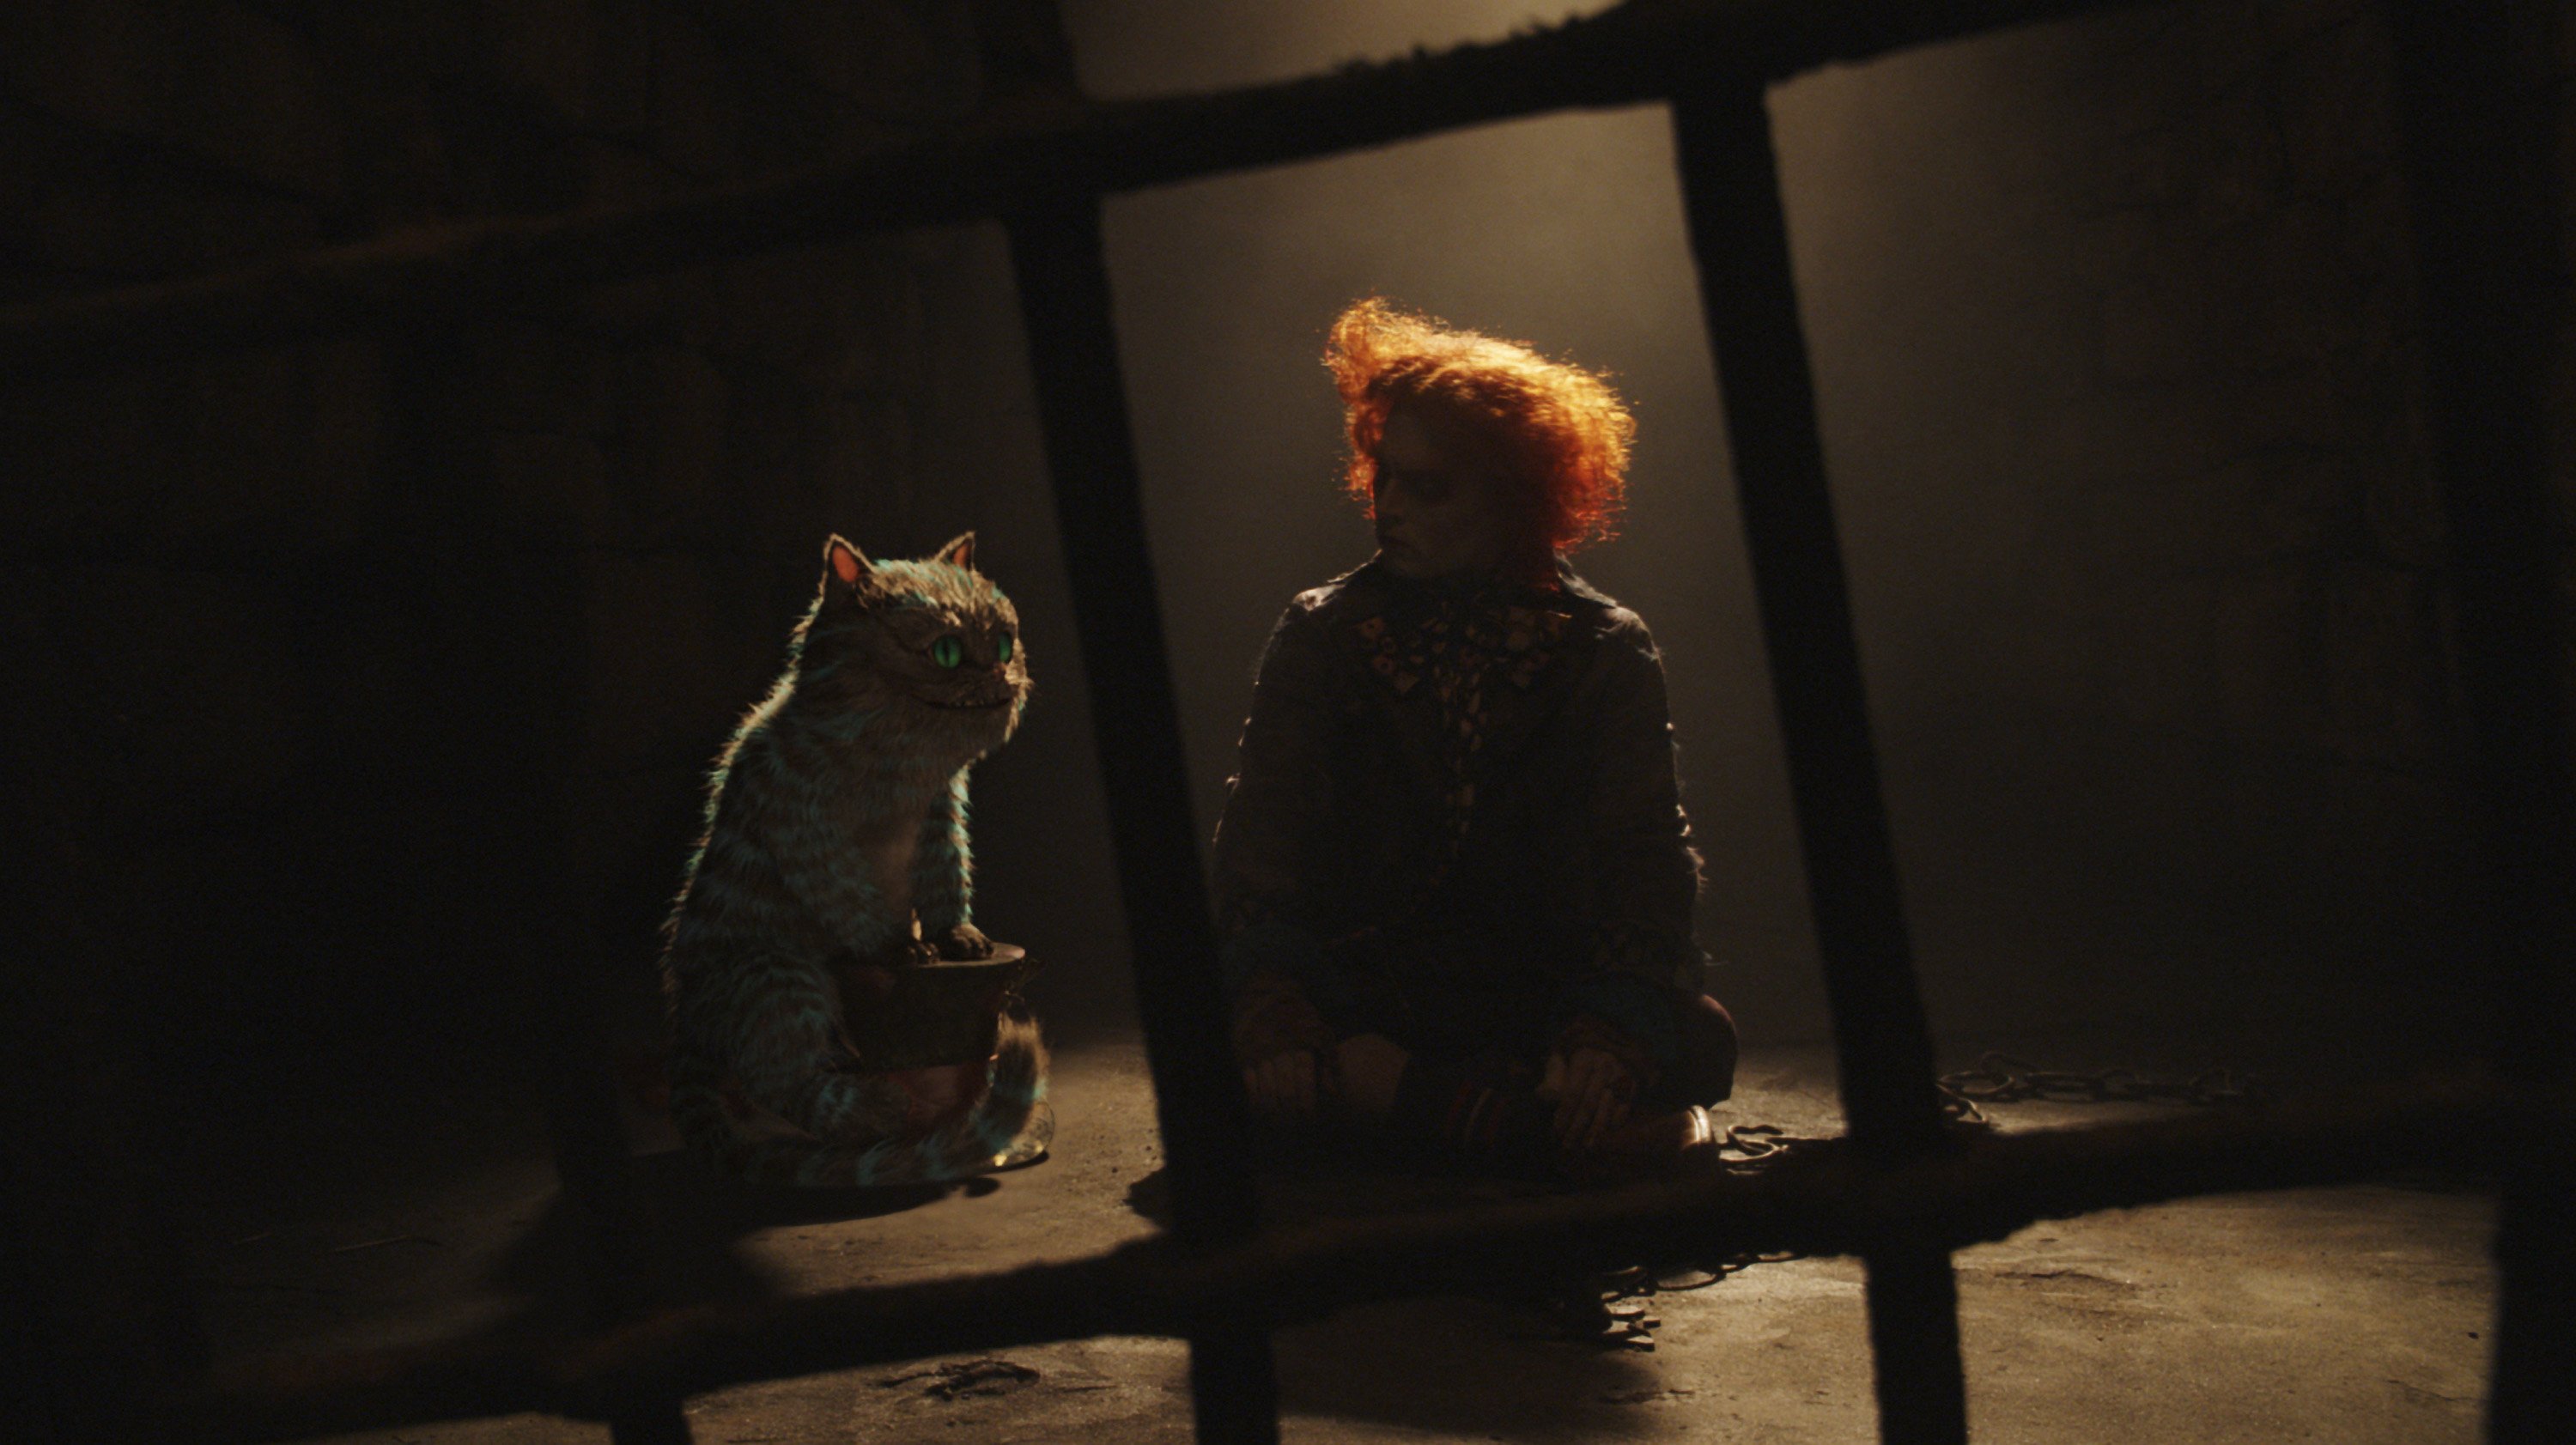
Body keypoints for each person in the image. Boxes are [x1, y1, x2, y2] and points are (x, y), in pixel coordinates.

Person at [1212, 298, 1737, 1179]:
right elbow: (1259, 850)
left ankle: (1435, 1110)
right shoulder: (1323, 633)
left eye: (1428, 487)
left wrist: (1606, 1032)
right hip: (1365, 994)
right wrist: (1277, 1014)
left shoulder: (1604, 647)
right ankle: (1523, 1132)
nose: (1389, 507)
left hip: (1535, 1002)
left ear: (1512, 495)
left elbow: (1645, 861)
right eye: (1383, 477)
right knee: (1229, 1048)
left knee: (1699, 1038)